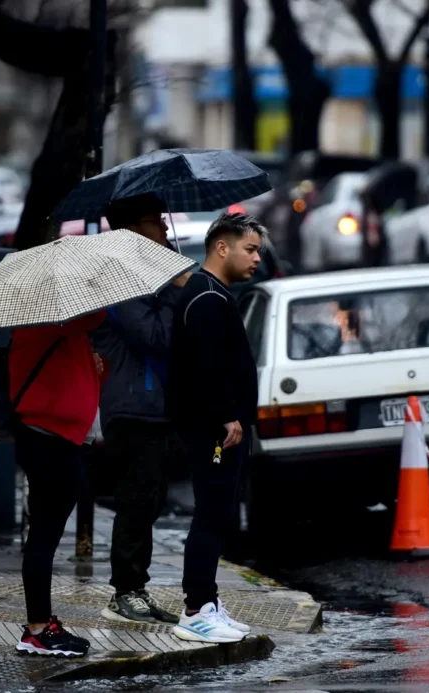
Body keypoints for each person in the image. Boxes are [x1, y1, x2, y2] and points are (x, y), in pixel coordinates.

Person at [166, 212, 264, 643]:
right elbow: (206, 367)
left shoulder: (212, 293)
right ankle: (195, 612)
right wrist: (227, 415)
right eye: (250, 248)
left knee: (217, 514)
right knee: (210, 514)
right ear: (221, 247)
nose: (257, 258)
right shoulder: (206, 298)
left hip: (218, 427)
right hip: (213, 430)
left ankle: (207, 601)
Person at [92, 195, 187, 624]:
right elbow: (154, 336)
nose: (165, 231)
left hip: (154, 405)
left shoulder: (147, 271)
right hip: (132, 405)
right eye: (156, 223)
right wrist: (174, 292)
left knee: (149, 500)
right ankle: (124, 590)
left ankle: (138, 586)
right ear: (133, 227)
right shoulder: (122, 275)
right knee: (136, 500)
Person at [11, 312, 105, 658]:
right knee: (43, 537)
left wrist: (93, 367)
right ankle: (37, 629)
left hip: (53, 438)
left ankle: (40, 624)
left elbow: (73, 380)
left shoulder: (59, 327)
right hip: (51, 440)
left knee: (43, 536)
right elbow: (98, 316)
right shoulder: (56, 321)